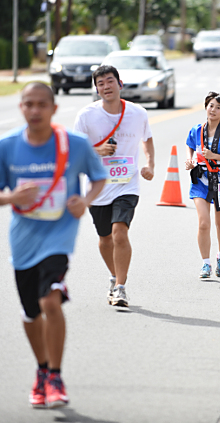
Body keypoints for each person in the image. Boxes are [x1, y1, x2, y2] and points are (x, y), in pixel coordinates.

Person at [0, 82, 107, 409]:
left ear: (54, 109)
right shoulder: (6, 146)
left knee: (51, 300)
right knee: (31, 313)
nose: (35, 110)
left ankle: (56, 376)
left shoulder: (75, 145)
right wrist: (10, 197)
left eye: (41, 104)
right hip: (23, 240)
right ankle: (41, 370)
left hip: (59, 237)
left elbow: (98, 178)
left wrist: (85, 201)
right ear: (21, 107)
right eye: (28, 104)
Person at [74, 65, 155, 308]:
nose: (106, 86)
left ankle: (120, 287)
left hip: (127, 184)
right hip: (98, 187)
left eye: (110, 81)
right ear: (96, 89)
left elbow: (147, 139)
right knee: (105, 238)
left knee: (120, 232)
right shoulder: (86, 116)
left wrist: (150, 164)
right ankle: (113, 275)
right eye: (100, 83)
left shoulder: (138, 113)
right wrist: (97, 151)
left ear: (120, 84)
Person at [184, 92, 220, 279]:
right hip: (201, 180)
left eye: (218, 107)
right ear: (205, 107)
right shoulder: (197, 130)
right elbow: (190, 145)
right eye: (211, 106)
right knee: (203, 223)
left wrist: (214, 156)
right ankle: (205, 263)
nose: (213, 110)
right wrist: (190, 160)